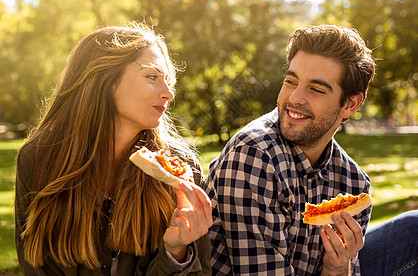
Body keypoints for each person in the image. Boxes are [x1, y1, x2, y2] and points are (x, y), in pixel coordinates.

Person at [15, 22, 212, 275]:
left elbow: (202, 271)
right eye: (152, 77)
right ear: (104, 80)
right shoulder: (38, 159)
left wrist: (176, 252)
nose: (168, 93)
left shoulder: (179, 169)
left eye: (169, 82)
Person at [204, 25, 375, 275]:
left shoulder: (354, 183)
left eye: (316, 89)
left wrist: (337, 267)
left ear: (349, 104)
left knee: (411, 230)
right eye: (291, 81)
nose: (295, 98)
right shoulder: (253, 154)